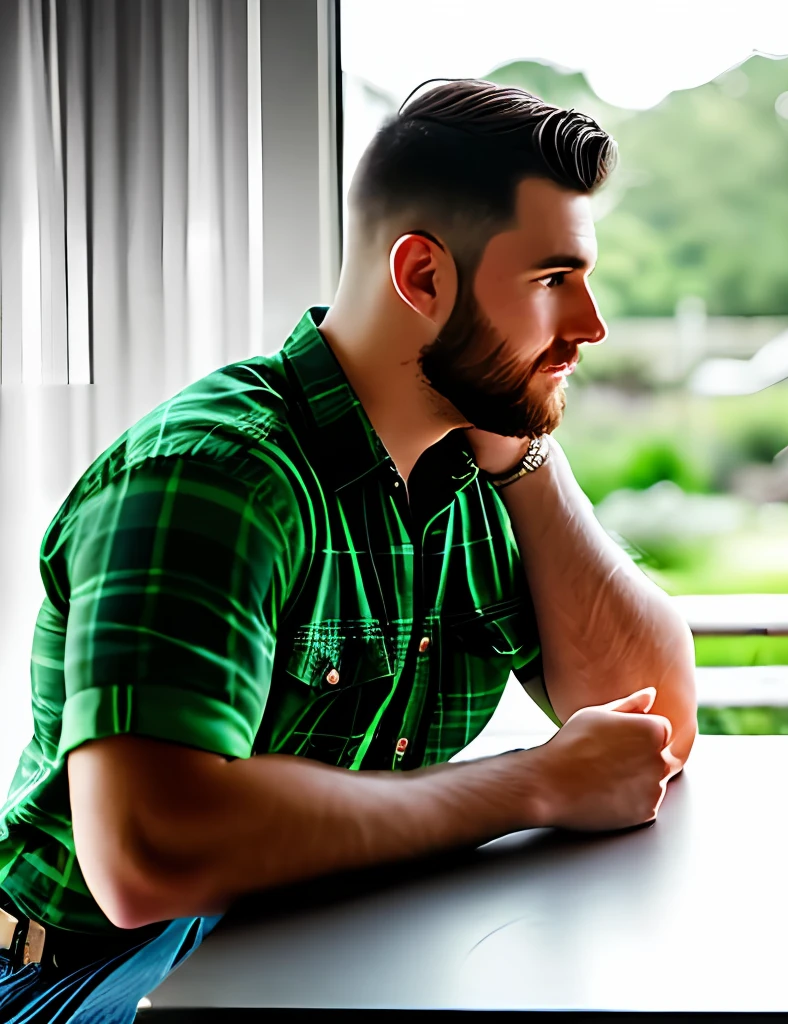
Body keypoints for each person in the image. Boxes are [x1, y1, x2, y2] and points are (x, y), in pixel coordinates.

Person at [0, 79, 696, 1022]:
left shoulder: (475, 467)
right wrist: (532, 783)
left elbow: (652, 723)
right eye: (552, 281)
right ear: (423, 278)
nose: (590, 327)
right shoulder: (215, 477)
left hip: (314, 941)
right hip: (79, 978)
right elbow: (147, 856)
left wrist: (529, 458)